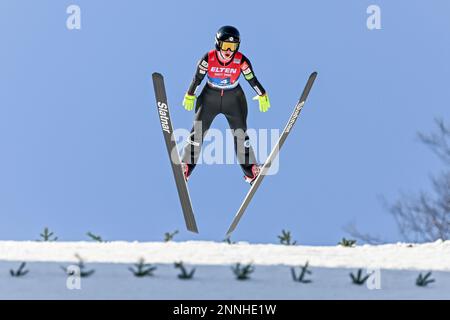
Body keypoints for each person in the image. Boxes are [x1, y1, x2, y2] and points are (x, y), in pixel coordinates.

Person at [181, 25, 270, 185]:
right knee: (197, 133)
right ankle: (186, 167)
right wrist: (190, 93)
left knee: (241, 135)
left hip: (233, 98)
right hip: (210, 97)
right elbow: (197, 78)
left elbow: (252, 79)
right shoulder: (208, 58)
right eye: (225, 46)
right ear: (217, 44)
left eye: (233, 46)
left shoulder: (241, 60)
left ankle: (251, 171)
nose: (229, 50)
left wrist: (261, 93)